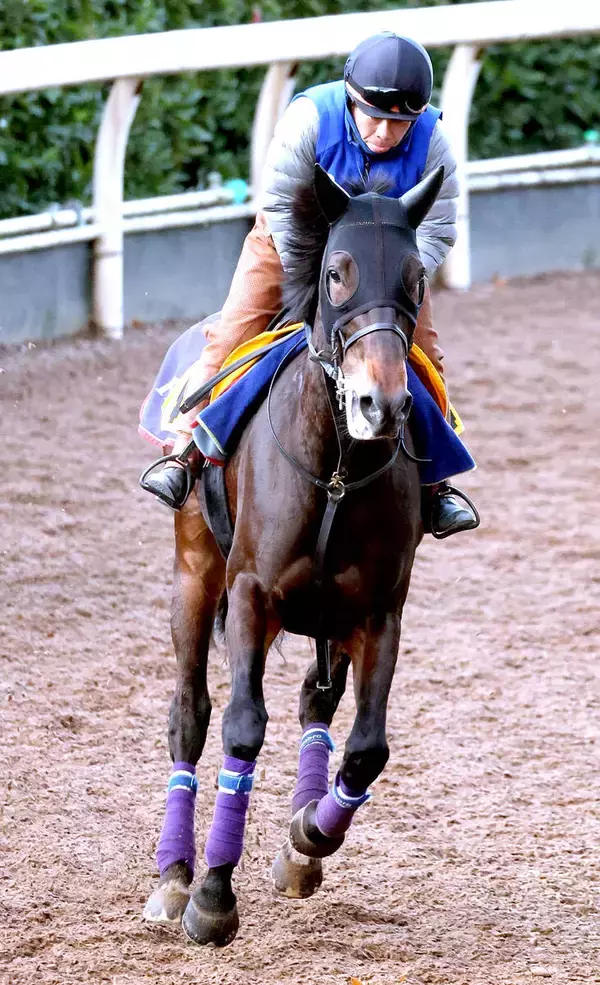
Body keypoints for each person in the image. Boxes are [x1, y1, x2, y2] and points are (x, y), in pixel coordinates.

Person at [143, 31, 478, 538]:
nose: (387, 132)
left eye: (401, 122)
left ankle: (437, 486)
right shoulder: (309, 119)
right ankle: (187, 449)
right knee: (234, 333)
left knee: (425, 352)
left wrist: (399, 274)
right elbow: (280, 208)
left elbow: (439, 226)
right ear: (350, 97)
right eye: (376, 116)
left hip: (387, 265)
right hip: (288, 247)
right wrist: (326, 275)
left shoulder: (434, 140)